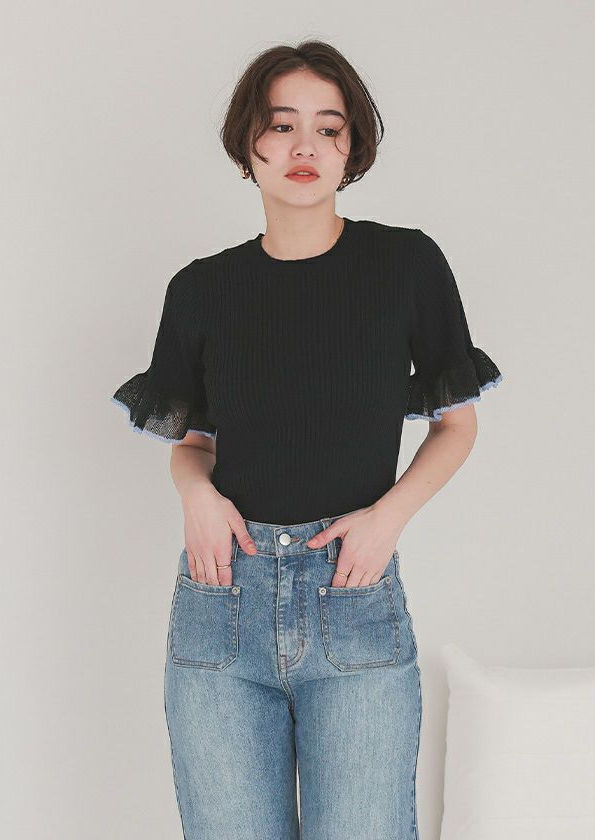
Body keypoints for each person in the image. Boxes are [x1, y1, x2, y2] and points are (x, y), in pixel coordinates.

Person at [110, 40, 503, 840]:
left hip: (352, 597)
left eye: (328, 128)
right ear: (247, 142)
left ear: (351, 148)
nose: (304, 147)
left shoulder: (405, 264)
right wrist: (195, 494)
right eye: (282, 124)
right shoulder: (202, 289)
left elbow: (456, 424)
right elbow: (194, 442)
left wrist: (388, 518)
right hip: (223, 599)